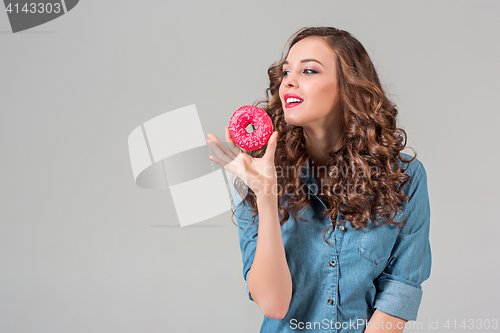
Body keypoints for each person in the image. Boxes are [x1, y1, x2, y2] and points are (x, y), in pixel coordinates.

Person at [207, 26, 431, 333]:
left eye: (309, 70)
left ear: (348, 86)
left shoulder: (404, 177)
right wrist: (266, 194)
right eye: (286, 73)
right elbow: (273, 305)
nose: (289, 82)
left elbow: (399, 292)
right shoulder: (257, 175)